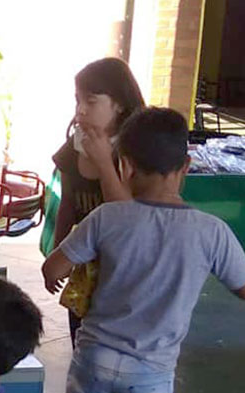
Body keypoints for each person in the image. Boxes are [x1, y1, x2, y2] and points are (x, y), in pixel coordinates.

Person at [41, 108, 245, 393]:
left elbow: (53, 268)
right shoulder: (211, 233)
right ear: (186, 167)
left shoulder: (108, 217)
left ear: (125, 166)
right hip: (151, 376)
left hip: (94, 361)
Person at [52, 57, 144, 346]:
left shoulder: (136, 152)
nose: (80, 110)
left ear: (119, 103)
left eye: (91, 101)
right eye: (77, 100)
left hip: (125, 268)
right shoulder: (74, 147)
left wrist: (104, 163)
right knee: (82, 341)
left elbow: (126, 217)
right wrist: (58, 254)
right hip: (87, 269)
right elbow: (67, 204)